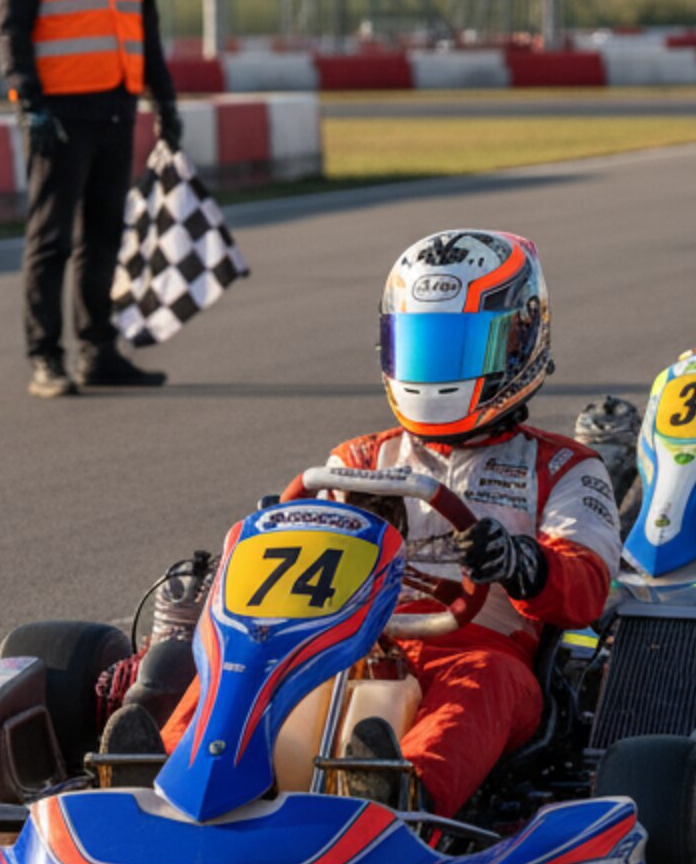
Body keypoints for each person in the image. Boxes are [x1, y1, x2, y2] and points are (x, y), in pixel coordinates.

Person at [111, 231, 620, 819]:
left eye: (460, 352)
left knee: (484, 683)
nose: (436, 372)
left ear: (522, 342)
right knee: (243, 658)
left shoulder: (562, 467)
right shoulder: (357, 461)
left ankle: (399, 795)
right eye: (424, 351)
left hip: (477, 647)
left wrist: (524, 563)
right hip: (344, 641)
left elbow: (587, 585)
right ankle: (162, 778)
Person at [0, 0, 184, 398]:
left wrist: (165, 100)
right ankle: (44, 358)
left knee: (105, 234)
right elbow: (10, 27)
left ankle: (98, 352)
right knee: (52, 240)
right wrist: (28, 102)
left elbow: (144, 28)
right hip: (59, 111)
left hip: (116, 104)